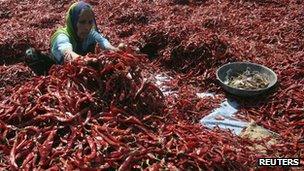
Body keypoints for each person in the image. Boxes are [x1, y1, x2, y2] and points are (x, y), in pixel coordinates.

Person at [25, 1, 121, 74]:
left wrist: (115, 49)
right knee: (31, 54)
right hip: (57, 65)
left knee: (101, 44)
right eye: (82, 22)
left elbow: (103, 41)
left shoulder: (90, 33)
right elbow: (67, 52)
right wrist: (83, 60)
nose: (87, 27)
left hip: (82, 63)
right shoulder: (62, 36)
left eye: (90, 22)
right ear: (73, 22)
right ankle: (46, 76)